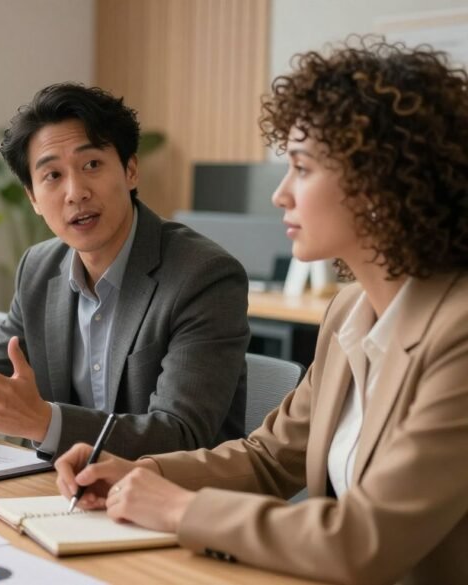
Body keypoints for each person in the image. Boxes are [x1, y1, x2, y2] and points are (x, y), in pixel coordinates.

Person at [54, 38, 468, 584]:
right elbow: (269, 459)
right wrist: (140, 471)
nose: (281, 194)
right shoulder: (351, 312)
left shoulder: (458, 334)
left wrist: (177, 509)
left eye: (300, 167)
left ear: (380, 181)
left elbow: (365, 541)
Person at [0, 83, 249, 457]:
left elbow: (182, 436)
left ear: (131, 170)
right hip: (65, 497)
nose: (75, 192)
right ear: (33, 198)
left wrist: (43, 422)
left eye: (92, 165)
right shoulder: (39, 268)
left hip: (171, 506)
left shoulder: (202, 275)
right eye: (52, 176)